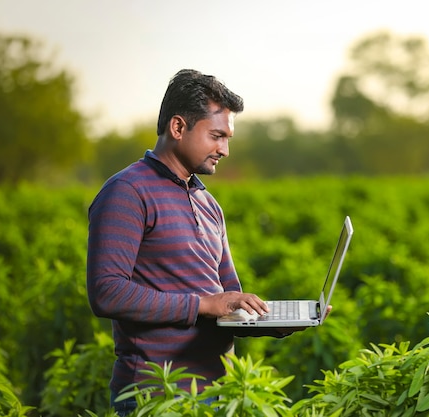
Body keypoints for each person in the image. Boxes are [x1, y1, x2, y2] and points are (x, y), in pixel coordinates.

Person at [86, 69, 305, 416]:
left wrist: (271, 321)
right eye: (217, 136)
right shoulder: (127, 192)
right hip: (159, 395)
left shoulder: (209, 204)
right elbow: (107, 292)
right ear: (178, 128)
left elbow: (226, 298)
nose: (225, 149)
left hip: (222, 392)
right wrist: (203, 305)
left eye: (228, 138)